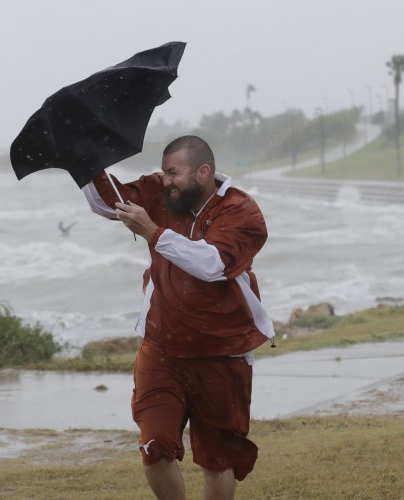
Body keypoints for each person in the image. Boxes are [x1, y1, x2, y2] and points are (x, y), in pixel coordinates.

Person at [83, 135, 275, 499]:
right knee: (154, 447)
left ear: (204, 172)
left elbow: (214, 264)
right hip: (162, 346)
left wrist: (153, 233)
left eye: (174, 173)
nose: (165, 179)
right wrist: (85, 162)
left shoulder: (241, 210)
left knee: (218, 460)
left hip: (222, 351)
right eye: (164, 171)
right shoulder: (159, 192)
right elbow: (110, 204)